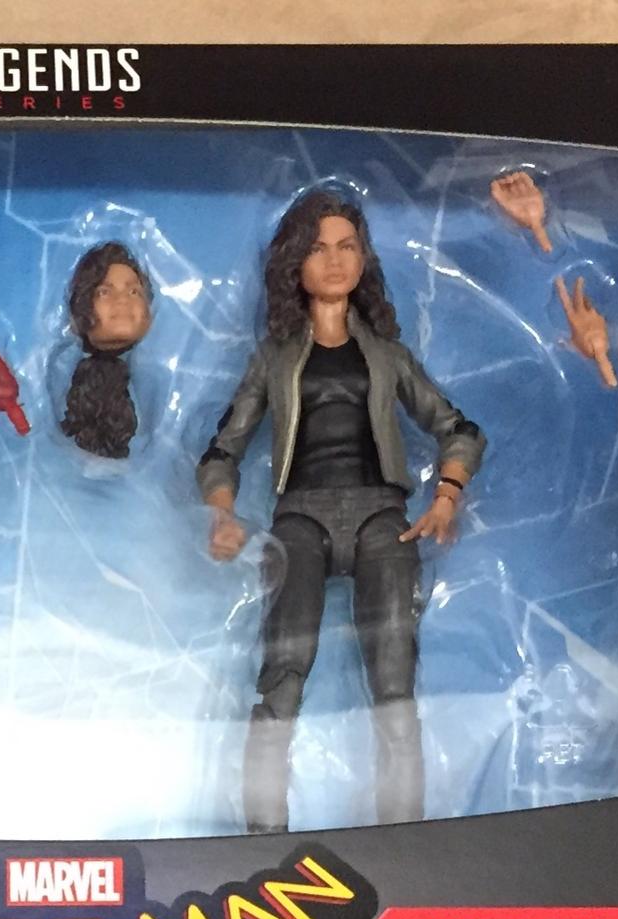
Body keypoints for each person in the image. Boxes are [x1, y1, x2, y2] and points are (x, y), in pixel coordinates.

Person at [197, 191, 485, 831]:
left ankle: (400, 836)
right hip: (300, 516)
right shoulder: (274, 357)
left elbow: (458, 430)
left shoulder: (387, 354)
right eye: (318, 248)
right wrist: (222, 513)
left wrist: (446, 495)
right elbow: (222, 450)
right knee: (282, 674)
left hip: (383, 513)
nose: (333, 261)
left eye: (347, 246)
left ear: (363, 258)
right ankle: (261, 834)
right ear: (294, 263)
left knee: (394, 681)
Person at [61, 241, 153, 459]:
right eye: (104, 292)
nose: (122, 300)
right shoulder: (66, 371)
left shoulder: (153, 376)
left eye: (133, 291)